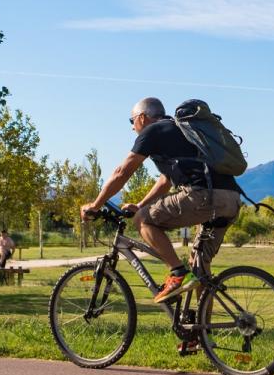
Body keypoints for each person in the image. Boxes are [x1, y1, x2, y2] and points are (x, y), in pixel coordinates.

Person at [82, 96, 241, 304]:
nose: (132, 128)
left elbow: (122, 172)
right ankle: (201, 334)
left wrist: (95, 205)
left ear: (141, 118)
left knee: (142, 220)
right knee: (199, 268)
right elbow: (165, 181)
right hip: (231, 199)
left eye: (132, 122)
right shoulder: (181, 131)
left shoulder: (152, 131)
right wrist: (140, 204)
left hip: (203, 195)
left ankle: (177, 272)